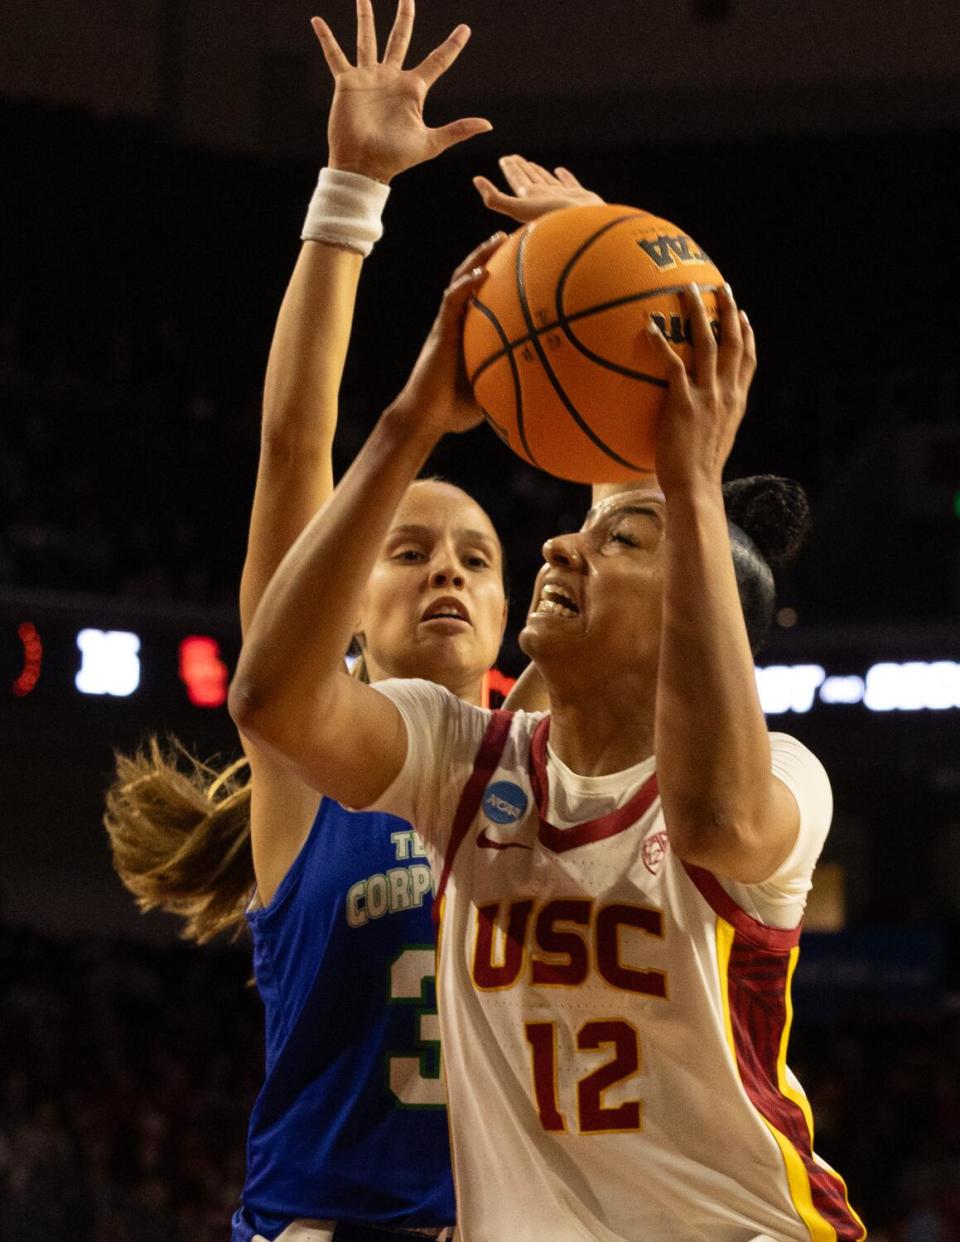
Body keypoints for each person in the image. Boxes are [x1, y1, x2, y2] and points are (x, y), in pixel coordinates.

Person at [230, 247, 867, 1238]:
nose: (558, 543)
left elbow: (713, 812)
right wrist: (417, 413)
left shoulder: (784, 775)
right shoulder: (462, 763)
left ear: (685, 621)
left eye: (616, 539)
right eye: (411, 551)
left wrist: (687, 470)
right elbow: (270, 691)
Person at [102, 5, 522, 1240]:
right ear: (347, 611)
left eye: (475, 556)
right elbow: (296, 449)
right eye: (407, 549)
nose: (446, 571)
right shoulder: (301, 766)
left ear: (510, 611)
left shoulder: (539, 760)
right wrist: (349, 195)